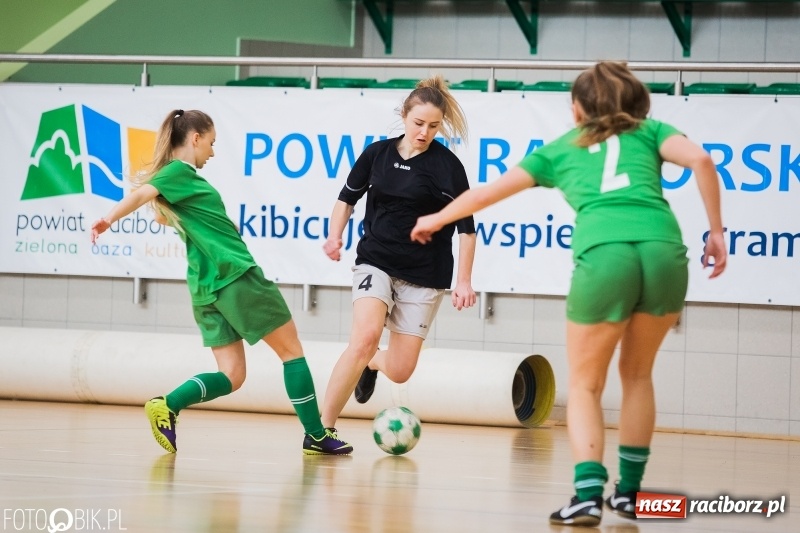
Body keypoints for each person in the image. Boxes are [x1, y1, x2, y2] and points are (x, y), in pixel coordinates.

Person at [410, 62, 727, 527]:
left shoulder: (562, 148)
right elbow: (702, 159)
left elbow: (484, 195)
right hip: (664, 251)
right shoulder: (650, 131)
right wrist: (716, 232)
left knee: (585, 384)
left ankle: (585, 496)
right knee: (638, 375)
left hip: (605, 255)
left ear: (577, 109)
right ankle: (631, 494)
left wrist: (434, 220)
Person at [91, 109, 351, 456]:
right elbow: (142, 194)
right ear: (195, 138)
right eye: (211, 143)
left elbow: (159, 209)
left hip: (204, 289)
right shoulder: (178, 173)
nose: (212, 153)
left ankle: (168, 404)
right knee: (292, 352)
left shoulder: (178, 185)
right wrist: (108, 219)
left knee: (232, 376)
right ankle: (316, 435)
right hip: (235, 276)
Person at [321, 76, 477, 432]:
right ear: (404, 116)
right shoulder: (376, 154)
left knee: (402, 371)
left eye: (434, 126)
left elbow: (467, 230)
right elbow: (346, 201)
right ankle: (321, 428)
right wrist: (335, 236)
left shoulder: (448, 167)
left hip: (426, 272)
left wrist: (463, 281)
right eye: (418, 123)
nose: (424, 132)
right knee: (364, 338)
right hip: (376, 259)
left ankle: (371, 364)